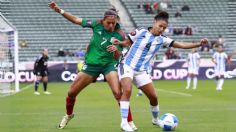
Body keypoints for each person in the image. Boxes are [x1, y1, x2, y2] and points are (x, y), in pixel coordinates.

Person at [112, 11, 208, 131]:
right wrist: (119, 43)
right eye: (160, 26)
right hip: (127, 66)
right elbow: (127, 42)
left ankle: (155, 119)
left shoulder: (163, 40)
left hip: (142, 71)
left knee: (154, 97)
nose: (162, 29)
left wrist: (199, 44)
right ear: (154, 22)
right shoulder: (141, 32)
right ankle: (124, 122)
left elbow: (181, 44)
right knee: (127, 90)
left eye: (164, 27)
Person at [48, 2, 137, 130]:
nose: (111, 25)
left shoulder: (120, 34)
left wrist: (116, 50)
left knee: (118, 93)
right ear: (103, 20)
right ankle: (68, 115)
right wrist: (60, 11)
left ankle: (129, 121)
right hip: (91, 65)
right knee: (71, 93)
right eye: (108, 23)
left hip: (109, 65)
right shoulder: (96, 24)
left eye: (114, 23)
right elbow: (76, 20)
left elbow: (120, 56)